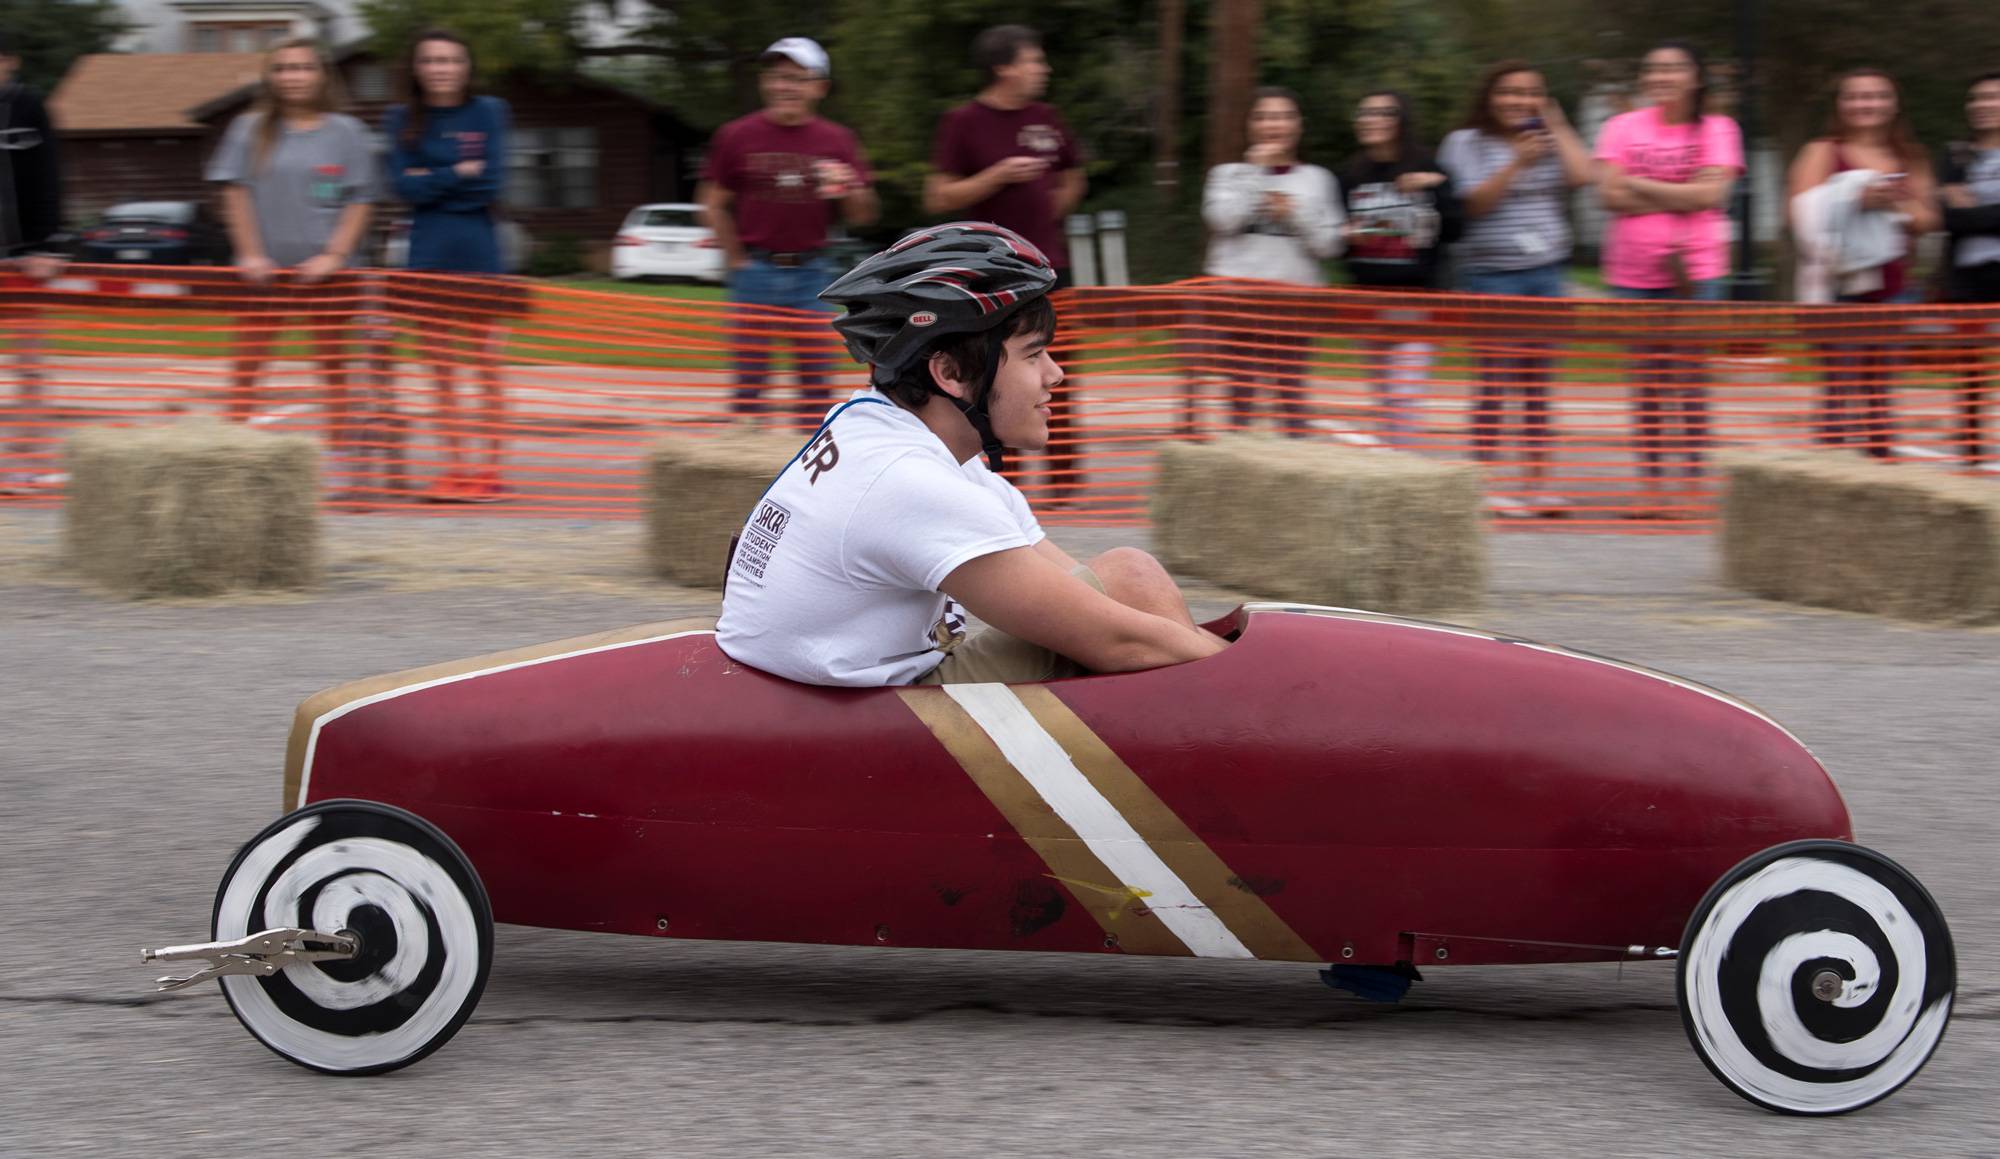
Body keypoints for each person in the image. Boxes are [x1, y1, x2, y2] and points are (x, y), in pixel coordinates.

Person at [714, 222, 1225, 688]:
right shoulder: (909, 483)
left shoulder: (877, 426)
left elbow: (1078, 589)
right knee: (1135, 608)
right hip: (869, 729)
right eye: (1033, 354)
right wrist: (1257, 678)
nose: (1055, 375)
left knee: (1128, 578)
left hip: (839, 698)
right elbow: (1120, 641)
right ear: (951, 372)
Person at [206, 38, 378, 493]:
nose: (293, 76)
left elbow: (360, 198)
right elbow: (235, 191)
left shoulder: (347, 132)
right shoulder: (248, 129)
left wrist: (334, 256)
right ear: (271, 77)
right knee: (247, 364)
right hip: (265, 276)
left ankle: (341, 456)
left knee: (335, 366)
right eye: (282, 68)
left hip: (328, 274)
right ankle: (231, 454)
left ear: (321, 75)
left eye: (303, 67)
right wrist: (249, 252)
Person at [928, 25, 1087, 499]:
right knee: (998, 376)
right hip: (992, 280)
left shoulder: (1048, 117)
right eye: (1034, 60)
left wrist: (1046, 214)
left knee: (1059, 374)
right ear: (1004, 68)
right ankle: (999, 480)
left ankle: (1064, 482)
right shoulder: (964, 122)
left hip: (1051, 272)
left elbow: (1074, 176)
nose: (1044, 68)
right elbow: (938, 196)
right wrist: (996, 176)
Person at [1439, 60, 1593, 516]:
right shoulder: (1464, 142)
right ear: (1489, 96)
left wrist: (1558, 124)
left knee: (1538, 383)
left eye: (1530, 93)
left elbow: (1584, 176)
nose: (1519, 101)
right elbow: (1471, 205)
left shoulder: (1548, 140)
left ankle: (1537, 483)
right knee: (1493, 382)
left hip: (1547, 274)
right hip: (1491, 276)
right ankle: (1484, 482)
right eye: (1509, 92)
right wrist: (1515, 163)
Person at [700, 37, 877, 430]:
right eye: (778, 77)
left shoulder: (837, 141)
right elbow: (712, 203)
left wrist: (850, 186)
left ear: (819, 88)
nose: (785, 87)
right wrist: (736, 260)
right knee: (749, 385)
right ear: (766, 83)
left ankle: (806, 479)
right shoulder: (736, 136)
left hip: (813, 274)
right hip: (755, 272)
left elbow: (864, 215)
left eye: (797, 78)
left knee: (815, 386)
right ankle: (745, 474)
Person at [1595, 41, 1743, 509]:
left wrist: (1637, 183)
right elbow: (1609, 197)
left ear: (1695, 77)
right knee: (1647, 382)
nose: (1661, 75)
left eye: (1674, 68)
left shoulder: (1719, 128)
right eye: (1652, 68)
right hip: (1632, 273)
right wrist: (1682, 189)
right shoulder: (1621, 126)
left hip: (1697, 272)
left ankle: (1695, 481)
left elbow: (1709, 197)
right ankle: (1652, 485)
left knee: (1690, 378)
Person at [385, 28, 514, 501]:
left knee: (487, 363)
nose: (442, 69)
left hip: (480, 247)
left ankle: (492, 468)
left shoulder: (489, 112)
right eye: (432, 60)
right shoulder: (401, 118)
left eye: (452, 60)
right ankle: (457, 465)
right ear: (417, 68)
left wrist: (430, 180)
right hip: (426, 251)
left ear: (466, 67)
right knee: (440, 367)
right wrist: (456, 173)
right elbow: (401, 188)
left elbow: (492, 185)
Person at [1788, 67, 1940, 459]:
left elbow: (1928, 219)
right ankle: (1830, 476)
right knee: (1838, 389)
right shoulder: (1822, 151)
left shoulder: (1909, 156)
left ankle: (1879, 467)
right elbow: (1799, 214)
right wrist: (1852, 199)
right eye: (1855, 97)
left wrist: (1892, 206)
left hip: (1893, 290)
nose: (1865, 104)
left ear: (1892, 105)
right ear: (1841, 105)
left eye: (1876, 96)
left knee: (1880, 391)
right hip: (1838, 290)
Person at [1200, 86, 1344, 437]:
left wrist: (1294, 212)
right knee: (1240, 399)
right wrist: (1255, 173)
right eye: (1263, 116)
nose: (1272, 125)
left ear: (1298, 125)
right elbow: (1222, 220)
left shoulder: (1318, 179)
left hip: (1294, 305)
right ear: (1251, 125)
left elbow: (1332, 244)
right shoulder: (1227, 174)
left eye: (1282, 116)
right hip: (1238, 303)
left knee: (1293, 401)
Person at [1339, 89, 1461, 448]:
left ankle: (1404, 469)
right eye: (1365, 112)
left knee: (1404, 396)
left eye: (1383, 112)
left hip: (1416, 303)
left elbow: (1456, 229)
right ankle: (1394, 471)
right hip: (1368, 303)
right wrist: (1347, 236)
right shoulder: (1350, 175)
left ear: (1401, 120)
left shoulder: (1431, 169)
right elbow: (1339, 239)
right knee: (1384, 398)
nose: (1371, 119)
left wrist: (1435, 190)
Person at [1, 31, 69, 496]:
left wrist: (48, 243)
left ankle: (28, 456)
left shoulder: (29, 107)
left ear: (11, 61)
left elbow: (48, 176)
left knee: (28, 363)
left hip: (23, 256)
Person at [1939, 72, 2000, 464]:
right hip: (1968, 275)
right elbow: (1951, 217)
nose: (1983, 105)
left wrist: (1972, 209)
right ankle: (1971, 444)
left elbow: (1966, 213)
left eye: (1993, 97)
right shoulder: (1956, 155)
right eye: (1976, 98)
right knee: (1970, 365)